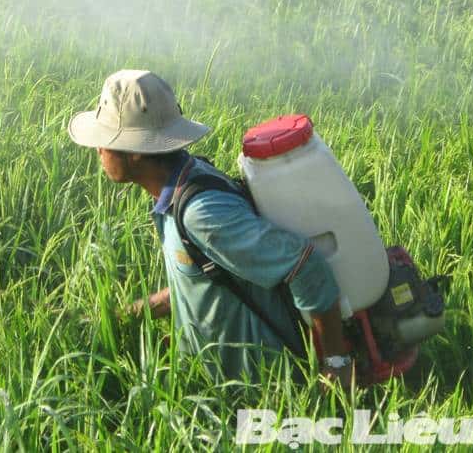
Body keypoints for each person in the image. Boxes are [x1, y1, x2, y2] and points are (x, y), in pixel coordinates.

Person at [67, 69, 355, 387]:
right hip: (212, 386)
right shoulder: (182, 183)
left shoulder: (201, 213)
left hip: (261, 389)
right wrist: (124, 316)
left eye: (104, 142)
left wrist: (335, 363)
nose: (98, 151)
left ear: (135, 151)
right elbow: (201, 278)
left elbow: (304, 264)